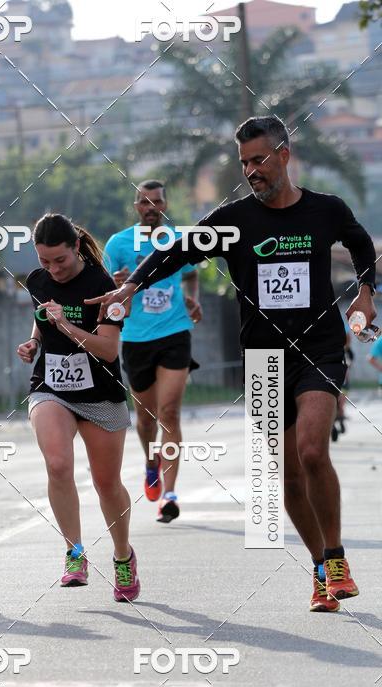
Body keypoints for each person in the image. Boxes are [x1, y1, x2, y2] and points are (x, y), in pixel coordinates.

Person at [87, 115, 377, 613]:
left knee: (312, 450)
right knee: (288, 475)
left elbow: (361, 245)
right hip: (263, 357)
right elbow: (177, 251)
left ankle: (335, 558)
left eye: (259, 160)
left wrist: (366, 293)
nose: (251, 171)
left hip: (319, 348)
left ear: (284, 155)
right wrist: (131, 285)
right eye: (244, 163)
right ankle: (317, 570)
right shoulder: (232, 221)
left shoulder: (325, 210)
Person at [17, 213, 140, 602]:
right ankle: (74, 553)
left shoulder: (104, 286)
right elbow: (43, 319)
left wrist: (66, 326)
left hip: (100, 392)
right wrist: (34, 342)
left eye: (61, 260)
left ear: (75, 248)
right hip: (51, 386)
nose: (53, 269)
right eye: (45, 261)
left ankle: (123, 556)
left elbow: (109, 350)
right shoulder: (37, 281)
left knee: (106, 483)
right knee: (57, 464)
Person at [103, 180, 201, 523]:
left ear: (165, 205)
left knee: (169, 412)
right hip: (136, 337)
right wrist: (116, 283)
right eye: (145, 202)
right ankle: (150, 460)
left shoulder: (178, 240)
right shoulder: (118, 243)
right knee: (146, 419)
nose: (151, 208)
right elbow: (105, 287)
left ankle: (169, 495)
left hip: (175, 332)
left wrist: (193, 300)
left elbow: (191, 275)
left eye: (157, 202)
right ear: (136, 207)